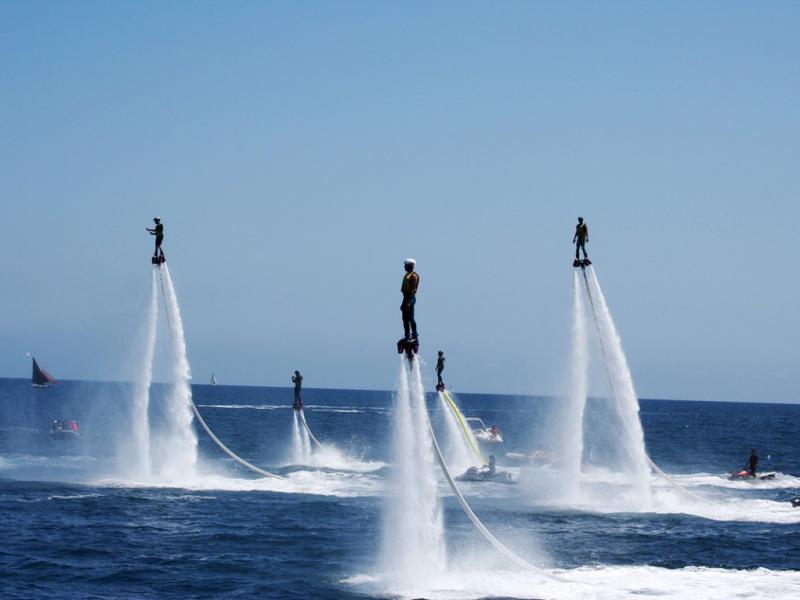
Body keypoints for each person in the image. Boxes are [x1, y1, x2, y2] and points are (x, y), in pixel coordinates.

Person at [400, 258, 419, 341]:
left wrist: (408, 302)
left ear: (410, 266)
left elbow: (412, 290)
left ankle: (414, 334)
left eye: (406, 265)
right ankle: (407, 335)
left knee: (410, 318)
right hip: (405, 298)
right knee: (405, 319)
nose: (404, 267)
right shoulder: (407, 275)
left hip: (410, 298)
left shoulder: (413, 276)